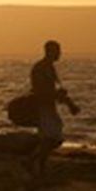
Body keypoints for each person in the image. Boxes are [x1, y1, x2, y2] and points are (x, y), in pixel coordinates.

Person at [25, 39, 79, 179]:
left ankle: (37, 165)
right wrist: (65, 100)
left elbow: (51, 90)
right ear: (50, 51)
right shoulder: (41, 68)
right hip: (43, 107)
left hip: (48, 106)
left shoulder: (48, 68)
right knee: (52, 138)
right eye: (57, 51)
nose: (60, 54)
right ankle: (32, 162)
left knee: (50, 138)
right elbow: (41, 90)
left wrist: (68, 102)